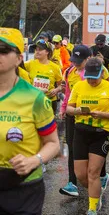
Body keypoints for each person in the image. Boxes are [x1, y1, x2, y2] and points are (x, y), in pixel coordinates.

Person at [0, 28, 60, 215]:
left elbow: (53, 144)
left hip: (24, 188)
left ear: (19, 58)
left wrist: (35, 160)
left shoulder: (34, 98)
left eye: (3, 50)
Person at [67, 58, 109, 215]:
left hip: (102, 132)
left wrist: (102, 114)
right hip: (81, 131)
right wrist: (78, 111)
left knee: (93, 172)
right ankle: (96, 190)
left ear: (102, 73)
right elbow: (69, 109)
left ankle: (92, 208)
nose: (90, 80)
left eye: (94, 77)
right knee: (81, 175)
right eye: (88, 77)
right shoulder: (78, 85)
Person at [59, 45, 92, 197]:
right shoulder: (69, 72)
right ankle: (72, 183)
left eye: (80, 61)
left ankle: (95, 177)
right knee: (71, 146)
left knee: (88, 149)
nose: (76, 63)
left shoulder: (92, 73)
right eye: (74, 60)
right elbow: (67, 92)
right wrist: (63, 109)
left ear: (88, 59)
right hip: (72, 114)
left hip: (88, 116)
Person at [25, 39, 62, 113]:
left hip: (49, 101)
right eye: (36, 49)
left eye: (40, 49)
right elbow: (15, 66)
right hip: (34, 100)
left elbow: (61, 85)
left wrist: (56, 90)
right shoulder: (30, 64)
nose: (37, 51)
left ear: (47, 52)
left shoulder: (55, 67)